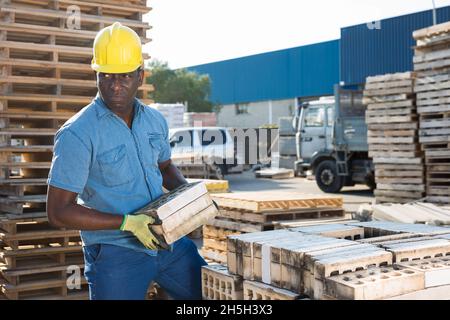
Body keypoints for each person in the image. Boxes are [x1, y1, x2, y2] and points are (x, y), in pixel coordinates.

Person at [46, 22, 207, 300]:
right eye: (106, 75)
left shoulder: (154, 121)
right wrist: (126, 223)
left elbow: (165, 167)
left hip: (166, 239)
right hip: (114, 251)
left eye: (124, 76)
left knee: (208, 296)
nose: (115, 85)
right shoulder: (77, 133)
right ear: (96, 74)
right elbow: (58, 211)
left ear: (140, 76)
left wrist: (189, 201)